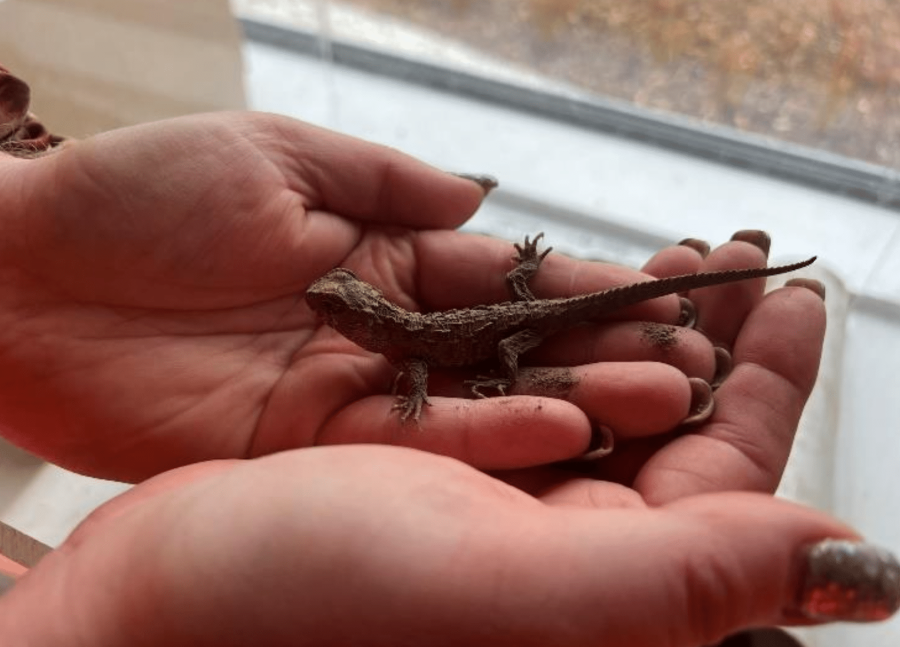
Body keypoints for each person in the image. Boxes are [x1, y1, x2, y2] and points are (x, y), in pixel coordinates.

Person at [0, 65, 896, 646]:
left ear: (359, 316)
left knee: (565, 332)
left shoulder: (399, 338)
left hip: (504, 331)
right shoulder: (393, 335)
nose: (331, 311)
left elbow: (423, 363)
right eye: (331, 306)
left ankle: (532, 343)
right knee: (576, 342)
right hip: (483, 326)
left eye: (334, 303)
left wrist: (512, 319)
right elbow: (412, 362)